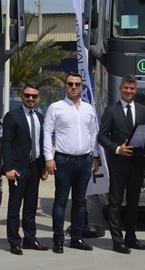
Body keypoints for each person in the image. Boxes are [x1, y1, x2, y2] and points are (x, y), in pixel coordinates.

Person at [43, 73, 99, 254]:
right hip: (63, 160)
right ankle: (58, 240)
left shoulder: (88, 109)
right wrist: (48, 158)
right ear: (65, 86)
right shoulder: (55, 107)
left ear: (81, 87)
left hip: (84, 161)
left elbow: (93, 133)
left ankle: (76, 238)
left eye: (77, 84)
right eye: (70, 84)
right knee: (60, 202)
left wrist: (95, 155)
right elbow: (47, 132)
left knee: (80, 202)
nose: (73, 87)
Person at [98, 74, 145, 254]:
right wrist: (117, 149)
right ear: (120, 89)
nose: (129, 91)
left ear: (136, 90)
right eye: (126, 88)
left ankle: (131, 237)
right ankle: (117, 241)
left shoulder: (143, 110)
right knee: (115, 203)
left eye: (132, 88)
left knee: (134, 203)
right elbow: (102, 137)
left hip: (137, 164)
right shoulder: (111, 110)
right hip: (118, 164)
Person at [2, 83, 48, 255]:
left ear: (38, 98)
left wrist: (44, 165)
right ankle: (14, 241)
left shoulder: (40, 117)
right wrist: (9, 168)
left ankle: (30, 239)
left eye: (34, 96)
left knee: (31, 206)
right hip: (18, 169)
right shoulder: (12, 116)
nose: (31, 98)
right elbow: (6, 143)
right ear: (22, 96)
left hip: (35, 167)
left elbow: (41, 143)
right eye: (27, 95)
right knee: (15, 207)